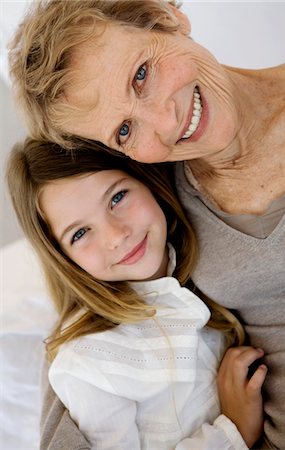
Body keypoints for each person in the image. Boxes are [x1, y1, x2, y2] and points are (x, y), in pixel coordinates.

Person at [8, 1, 285, 448]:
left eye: (142, 74)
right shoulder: (161, 191)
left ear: (165, 17)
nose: (166, 123)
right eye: (124, 131)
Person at [7, 137, 267, 449]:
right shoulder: (90, 363)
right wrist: (232, 432)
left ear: (144, 180)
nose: (116, 236)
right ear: (64, 259)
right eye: (79, 233)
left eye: (117, 198)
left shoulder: (203, 259)